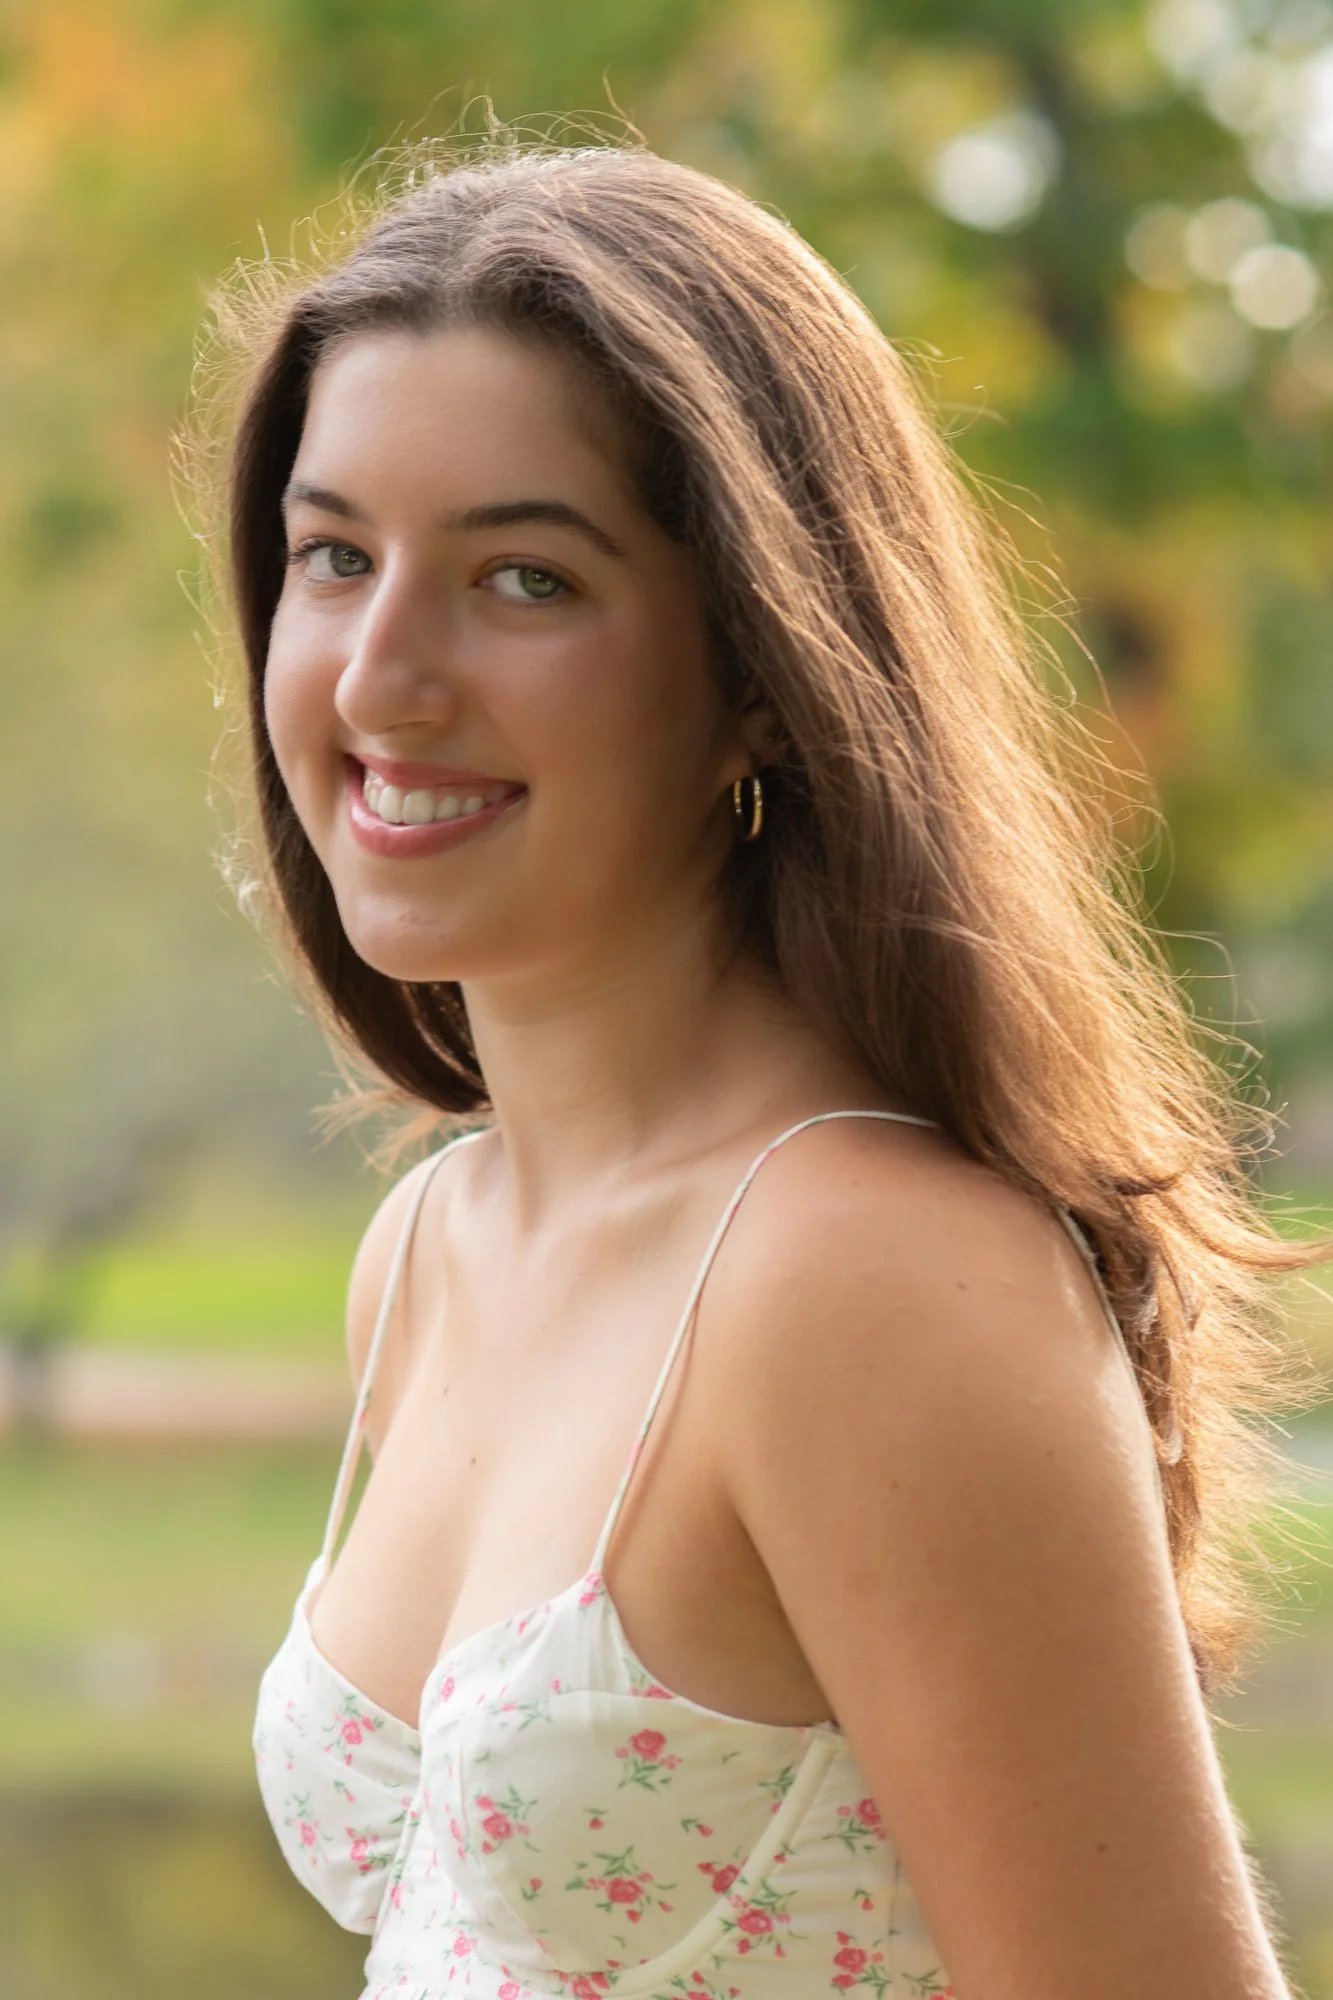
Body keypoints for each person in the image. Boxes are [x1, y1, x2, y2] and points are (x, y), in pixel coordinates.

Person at [188, 136, 1327, 2000]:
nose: (382, 675)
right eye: (334, 557)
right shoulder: (429, 1250)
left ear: (762, 670)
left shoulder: (866, 1277)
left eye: (524, 580)